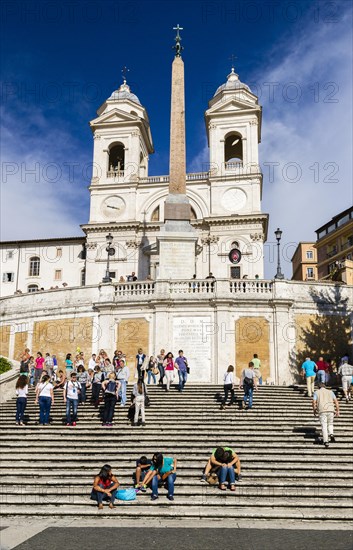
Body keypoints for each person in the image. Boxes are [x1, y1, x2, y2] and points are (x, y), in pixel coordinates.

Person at [312, 382, 340, 448]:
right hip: (331, 410)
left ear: (318, 387)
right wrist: (337, 410)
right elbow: (336, 401)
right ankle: (331, 434)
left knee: (324, 426)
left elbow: (313, 402)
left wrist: (314, 410)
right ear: (325, 386)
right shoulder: (331, 392)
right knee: (330, 423)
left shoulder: (316, 392)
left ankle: (326, 441)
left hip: (322, 411)